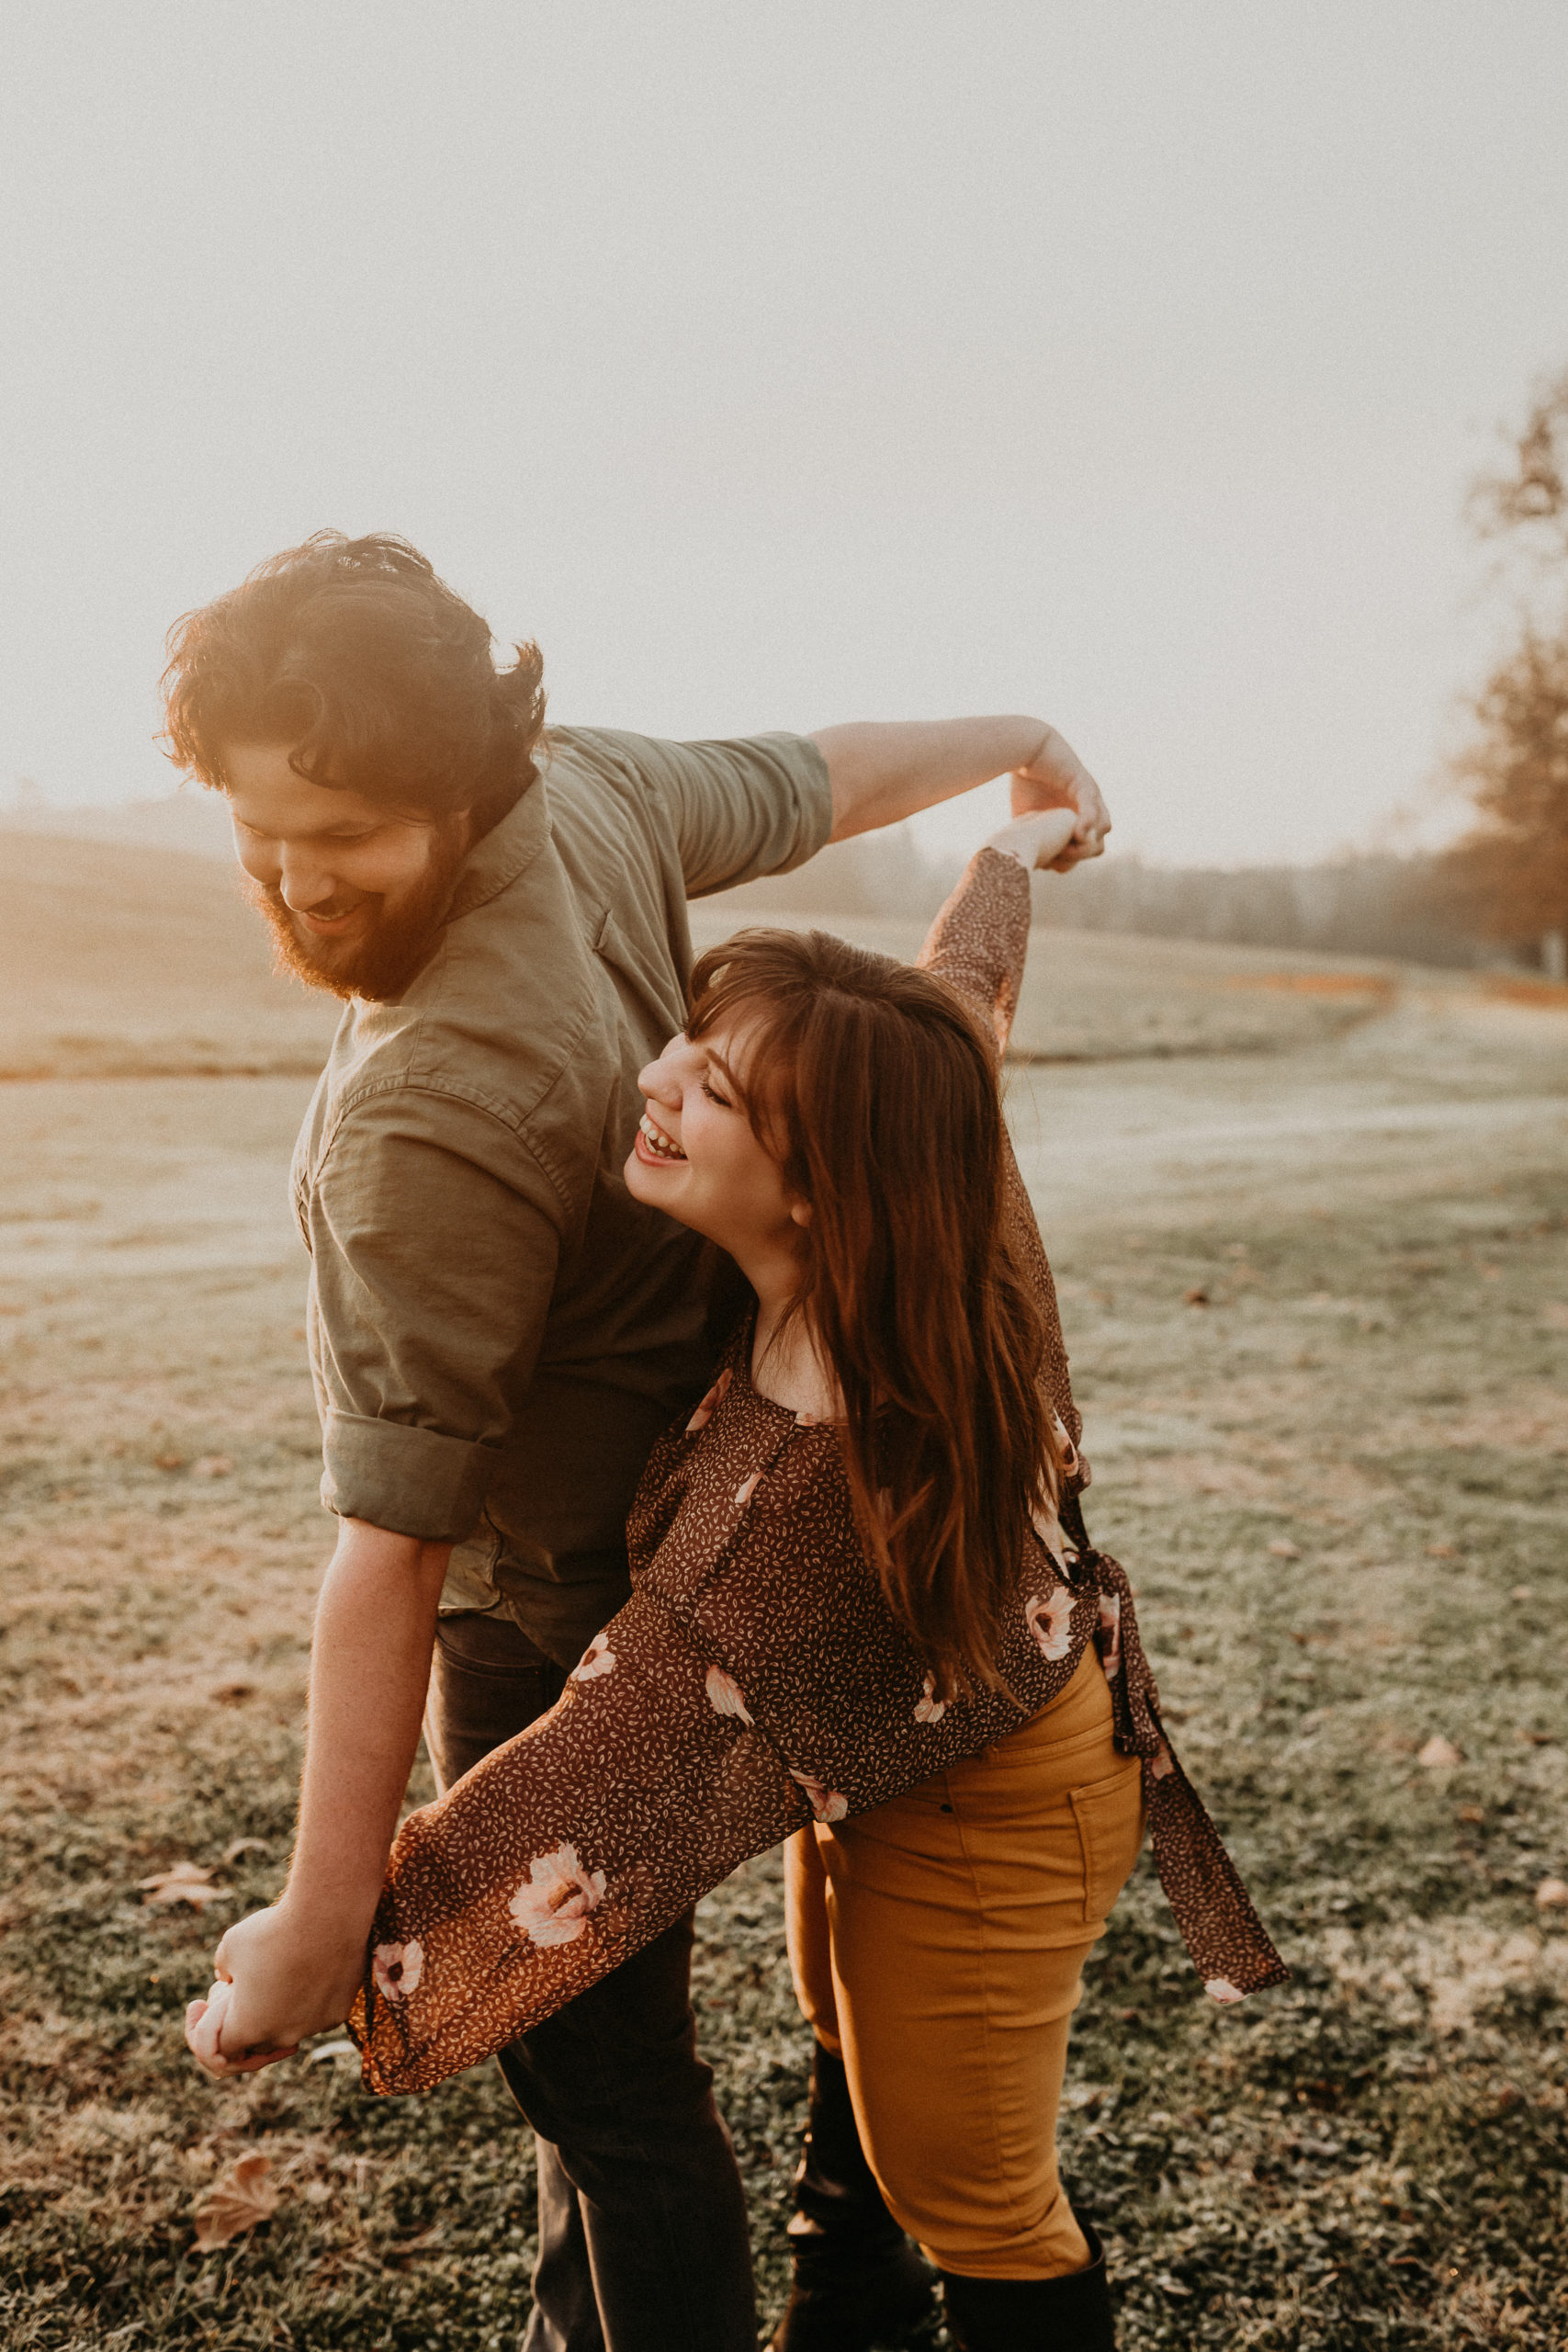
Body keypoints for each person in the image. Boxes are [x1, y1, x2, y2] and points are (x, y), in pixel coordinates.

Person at [163, 529, 1117, 2352]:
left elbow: (424, 1593)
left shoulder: (431, 1115)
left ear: (467, 779)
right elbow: (859, 853)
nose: (293, 877)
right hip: (835, 1614)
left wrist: (311, 1923)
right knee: (748, 2073)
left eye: (345, 829)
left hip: (647, 1631)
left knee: (647, 2118)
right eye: (257, 824)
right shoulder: (595, 799)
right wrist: (1009, 772)